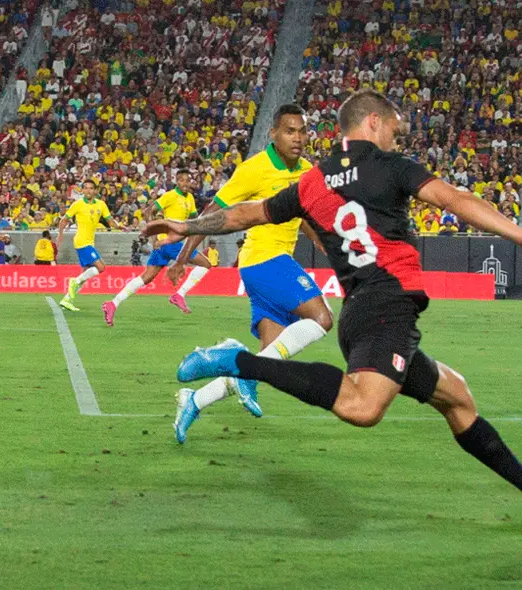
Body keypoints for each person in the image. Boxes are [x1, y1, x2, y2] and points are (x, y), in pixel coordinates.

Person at [144, 89, 522, 512]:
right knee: (363, 407)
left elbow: (243, 214)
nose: (395, 139)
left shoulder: (311, 182)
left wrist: (185, 226)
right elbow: (456, 200)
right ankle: (237, 361)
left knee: (456, 397)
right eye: (393, 129)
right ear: (372, 122)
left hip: (362, 314)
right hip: (388, 308)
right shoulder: (391, 166)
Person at [167, 104, 333, 443]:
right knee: (322, 318)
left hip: (270, 265)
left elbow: (305, 219)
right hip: (263, 259)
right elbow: (214, 212)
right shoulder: (254, 169)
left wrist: (330, 248)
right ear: (273, 134)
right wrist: (184, 256)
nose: (298, 138)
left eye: (302, 131)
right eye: (290, 131)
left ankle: (193, 401)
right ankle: (231, 352)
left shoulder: (307, 172)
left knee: (269, 365)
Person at [102, 170, 212, 325]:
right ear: (176, 181)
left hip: (166, 245)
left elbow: (194, 219)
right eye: (182, 180)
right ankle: (179, 294)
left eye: (188, 180)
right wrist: (153, 236)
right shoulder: (170, 196)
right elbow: (148, 212)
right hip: (170, 243)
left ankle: (113, 303)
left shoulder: (190, 199)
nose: (186, 183)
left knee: (145, 278)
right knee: (206, 264)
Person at [56, 179, 123, 312]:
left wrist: (119, 226)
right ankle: (73, 282)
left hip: (90, 242)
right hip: (81, 241)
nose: (88, 190)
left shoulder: (101, 204)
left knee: (84, 275)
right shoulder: (77, 204)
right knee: (101, 267)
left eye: (91, 188)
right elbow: (64, 220)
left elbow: (110, 220)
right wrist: (60, 234)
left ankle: (67, 299)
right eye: (85, 188)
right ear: (82, 190)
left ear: (95, 191)